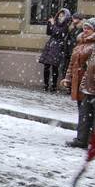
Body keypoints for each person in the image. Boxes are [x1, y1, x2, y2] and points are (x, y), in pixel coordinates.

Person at [62, 18, 95, 149]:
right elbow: (72, 64)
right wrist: (68, 78)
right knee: (84, 113)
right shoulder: (80, 43)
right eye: (84, 28)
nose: (85, 30)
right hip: (83, 83)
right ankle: (82, 139)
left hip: (89, 84)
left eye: (89, 28)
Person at [38, 8, 72, 92]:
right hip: (50, 46)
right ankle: (46, 84)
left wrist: (53, 25)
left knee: (54, 67)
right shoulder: (56, 24)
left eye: (61, 16)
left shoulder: (65, 26)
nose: (59, 18)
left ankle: (53, 85)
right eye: (59, 16)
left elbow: (58, 33)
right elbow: (49, 32)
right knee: (46, 66)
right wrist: (49, 24)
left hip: (57, 47)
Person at [62, 12, 85, 83]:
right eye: (74, 18)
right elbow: (68, 39)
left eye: (76, 18)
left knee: (75, 69)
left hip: (77, 51)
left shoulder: (82, 28)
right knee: (68, 69)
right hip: (70, 50)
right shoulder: (71, 27)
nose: (74, 20)